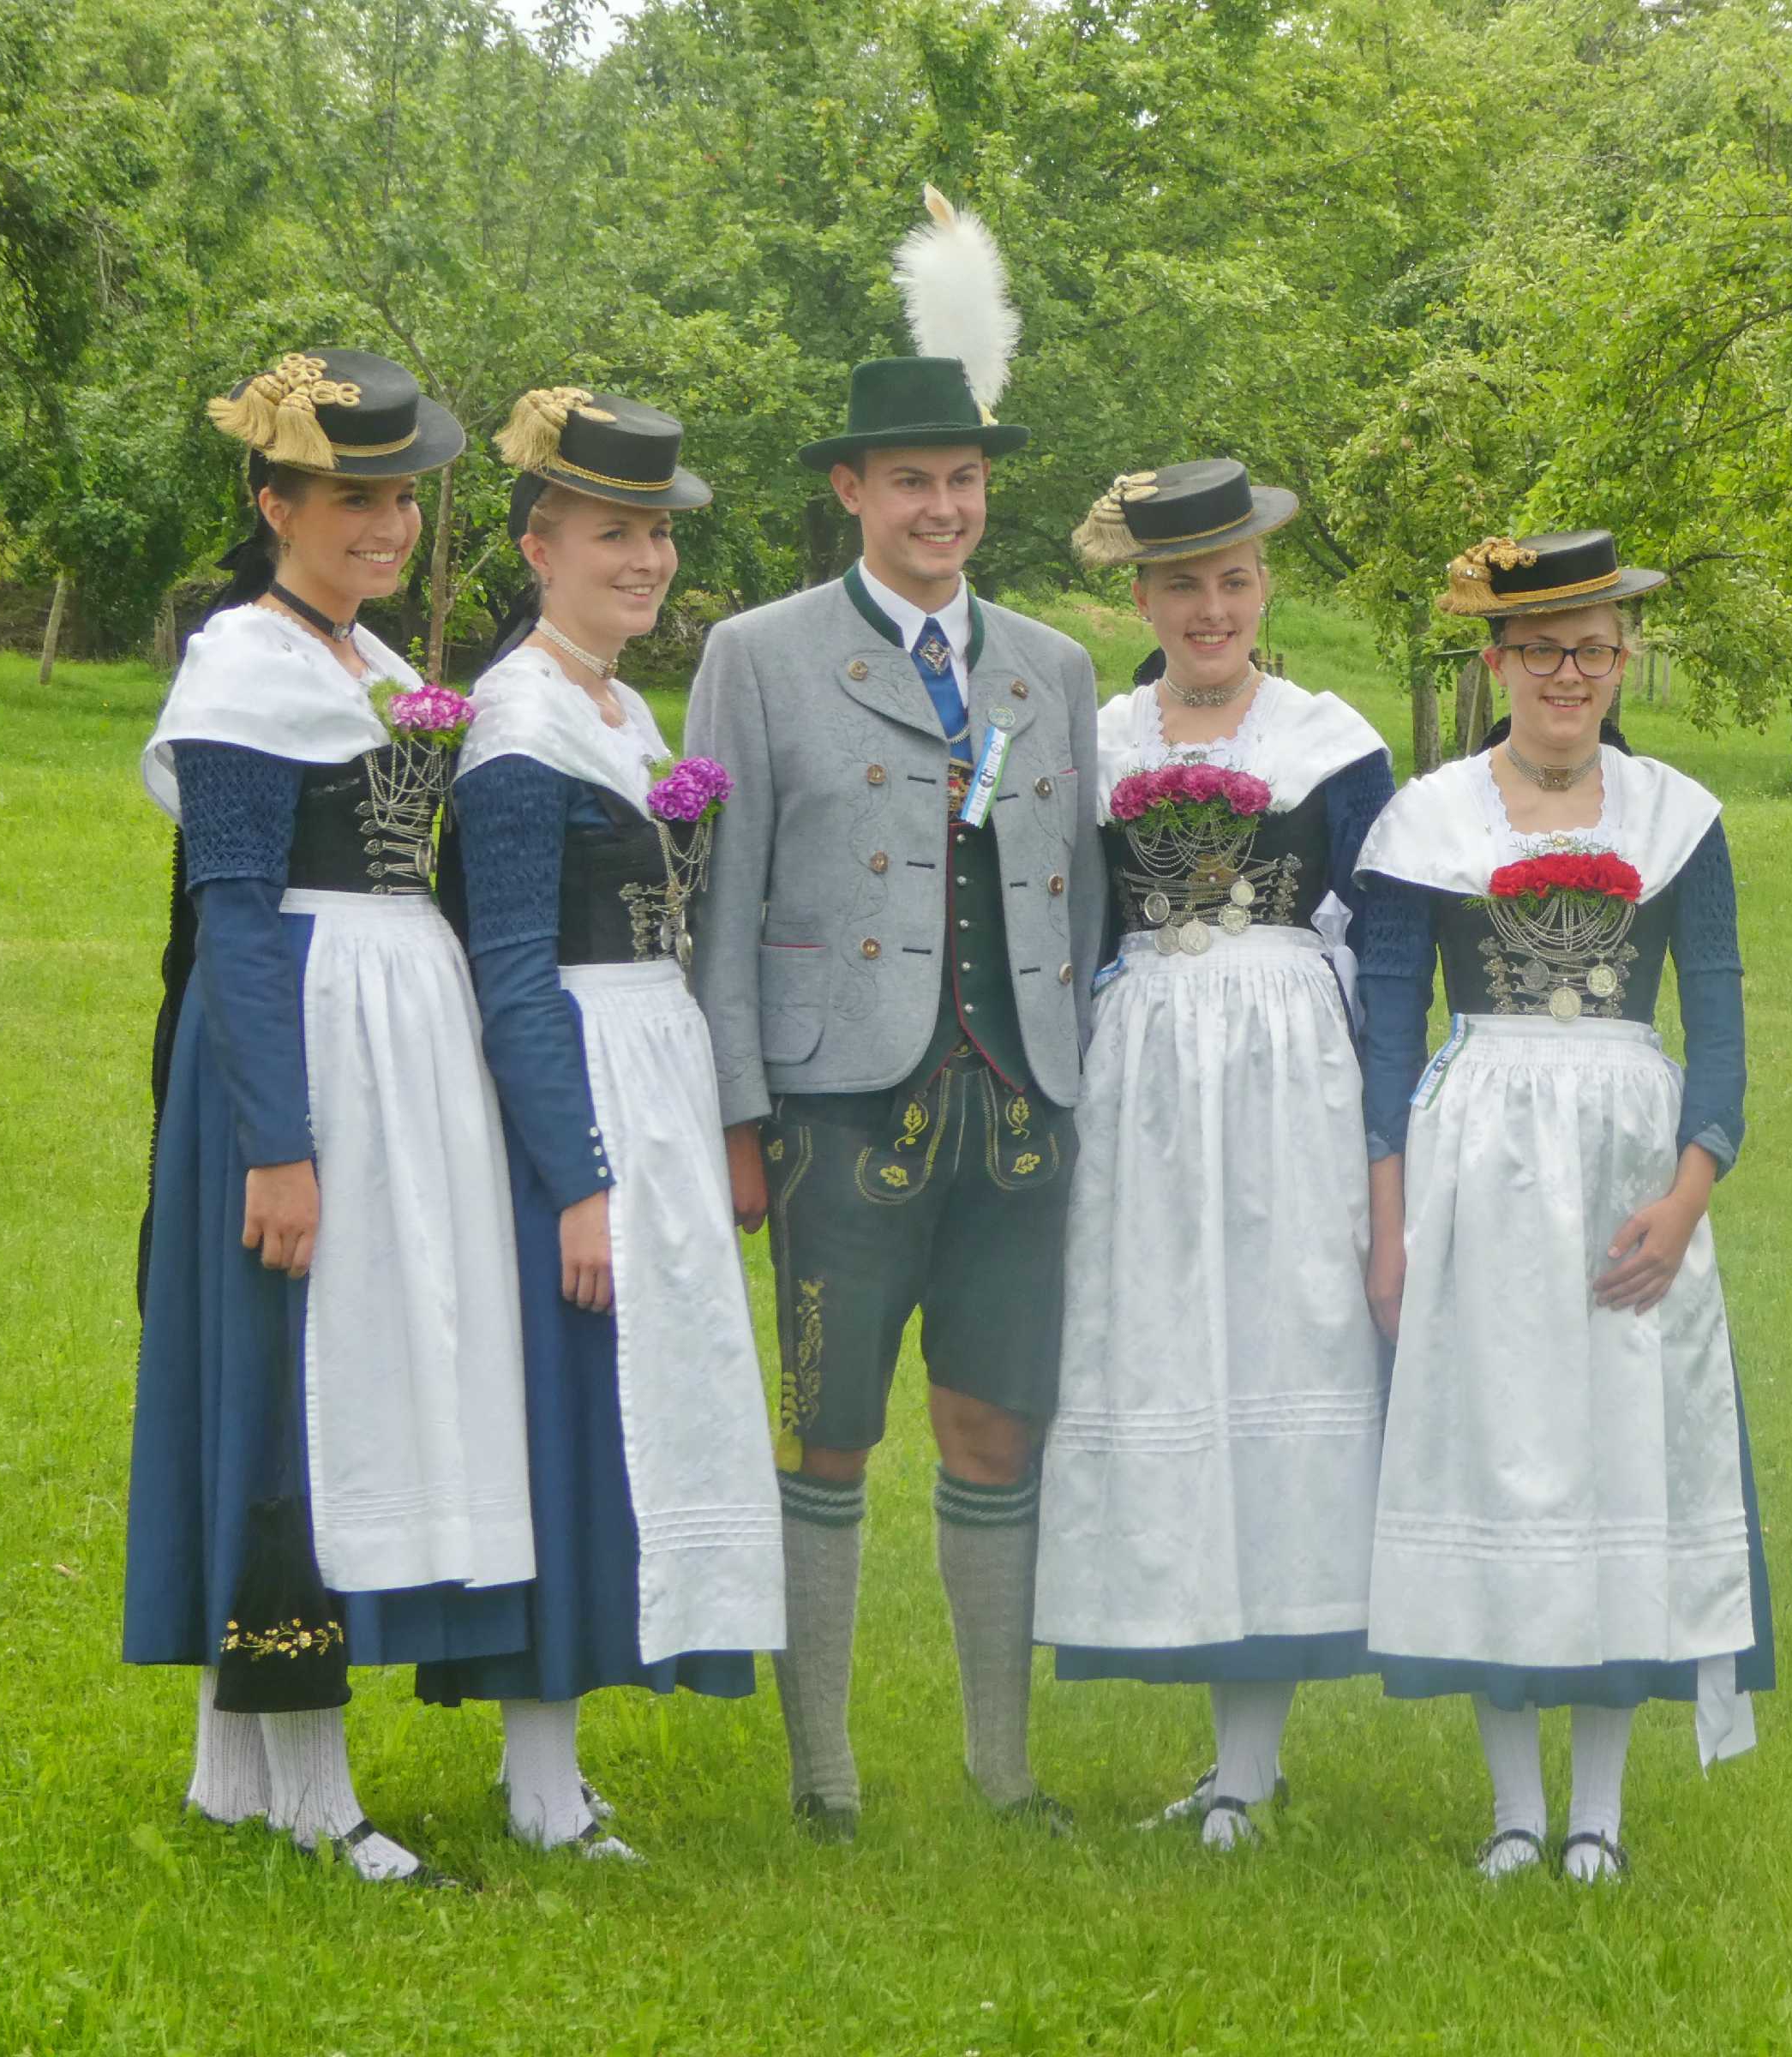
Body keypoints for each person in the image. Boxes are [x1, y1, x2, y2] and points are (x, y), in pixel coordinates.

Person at [685, 188, 1103, 1839]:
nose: (943, 508)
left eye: (965, 480)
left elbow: (1076, 891)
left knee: (997, 1423)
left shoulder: (1054, 667)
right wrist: (738, 1117)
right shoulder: (758, 654)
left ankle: (1004, 1769)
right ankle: (826, 1776)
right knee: (832, 1432)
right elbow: (719, 907)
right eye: (912, 480)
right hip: (837, 1104)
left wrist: (1074, 1081)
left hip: (1020, 1107)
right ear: (852, 491)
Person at [126, 348, 532, 1886]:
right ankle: (309, 1783)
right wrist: (278, 1145)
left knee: (347, 1367)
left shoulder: (360, 657)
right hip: (295, 1050)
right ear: (274, 504)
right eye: (351, 496)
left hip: (388, 1045)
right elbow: (232, 915)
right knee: (294, 1383)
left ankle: (231, 1769)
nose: (387, 524)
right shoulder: (247, 665)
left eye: (402, 497)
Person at [1354, 530, 1772, 1883]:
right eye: (1540, 650)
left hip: (1625, 1172)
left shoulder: (1676, 817)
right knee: (1496, 1452)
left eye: (1593, 649)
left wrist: (1688, 1196)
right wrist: (1388, 1224)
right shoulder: (1428, 820)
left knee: (1616, 1457)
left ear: (1624, 659)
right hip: (1476, 1164)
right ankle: (1512, 1809)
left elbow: (1720, 1022)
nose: (1568, 675)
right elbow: (1385, 1032)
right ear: (1496, 664)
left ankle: (1599, 1808)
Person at [413, 388, 785, 1859]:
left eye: (657, 536)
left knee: (632, 1407)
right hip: (574, 1091)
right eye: (611, 535)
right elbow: (508, 969)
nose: (645, 560)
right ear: (538, 547)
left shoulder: (620, 709)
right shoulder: (521, 726)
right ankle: (538, 1779)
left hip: (653, 1067)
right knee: (568, 1411)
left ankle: (557, 1763)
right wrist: (577, 1179)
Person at [1033, 461, 1395, 1848]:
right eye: (1181, 584)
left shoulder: (1332, 744)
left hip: (1289, 1085)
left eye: (1234, 581)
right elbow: (1062, 923)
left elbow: (1383, 952)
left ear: (1265, 589)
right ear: (1141, 596)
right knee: (1174, 1359)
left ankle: (1251, 1762)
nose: (1210, 609)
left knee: (1276, 1359)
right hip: (1142, 1089)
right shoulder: (1095, 743)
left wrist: (1382, 1138)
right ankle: (1222, 1746)